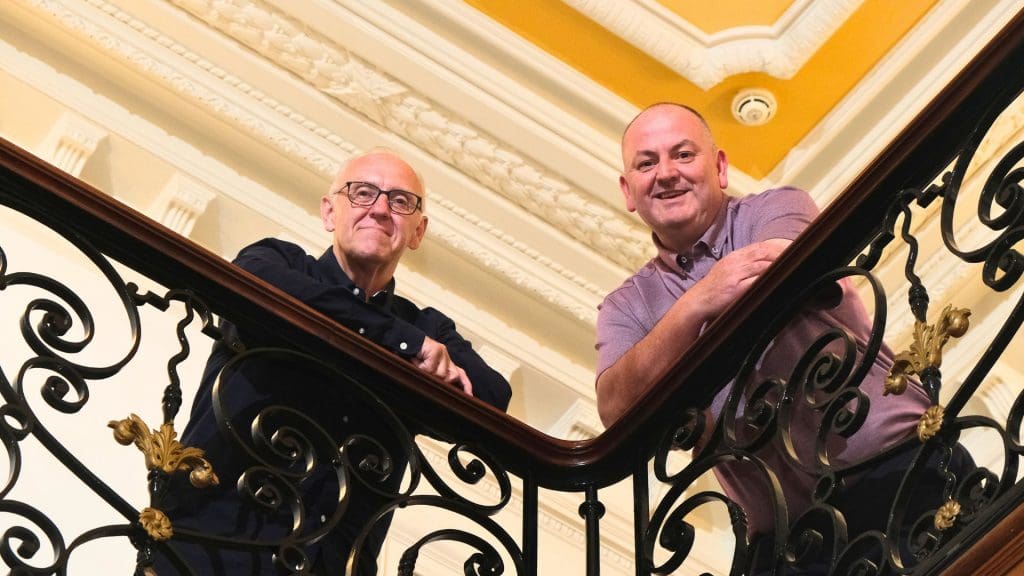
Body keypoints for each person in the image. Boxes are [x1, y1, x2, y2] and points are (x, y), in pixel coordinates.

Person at [594, 103, 961, 570]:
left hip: (902, 474)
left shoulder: (776, 206)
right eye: (647, 163)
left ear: (720, 167)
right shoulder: (625, 306)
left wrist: (667, 346)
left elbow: (780, 273)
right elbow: (614, 407)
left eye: (683, 155)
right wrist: (699, 300)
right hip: (790, 544)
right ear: (628, 191)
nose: (666, 173)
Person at [154, 149, 512, 575]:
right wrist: (403, 344)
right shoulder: (278, 262)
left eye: (400, 201)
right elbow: (258, 283)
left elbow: (493, 396)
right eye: (362, 193)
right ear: (329, 212)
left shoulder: (431, 328)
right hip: (211, 549)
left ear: (418, 232)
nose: (380, 209)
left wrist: (411, 340)